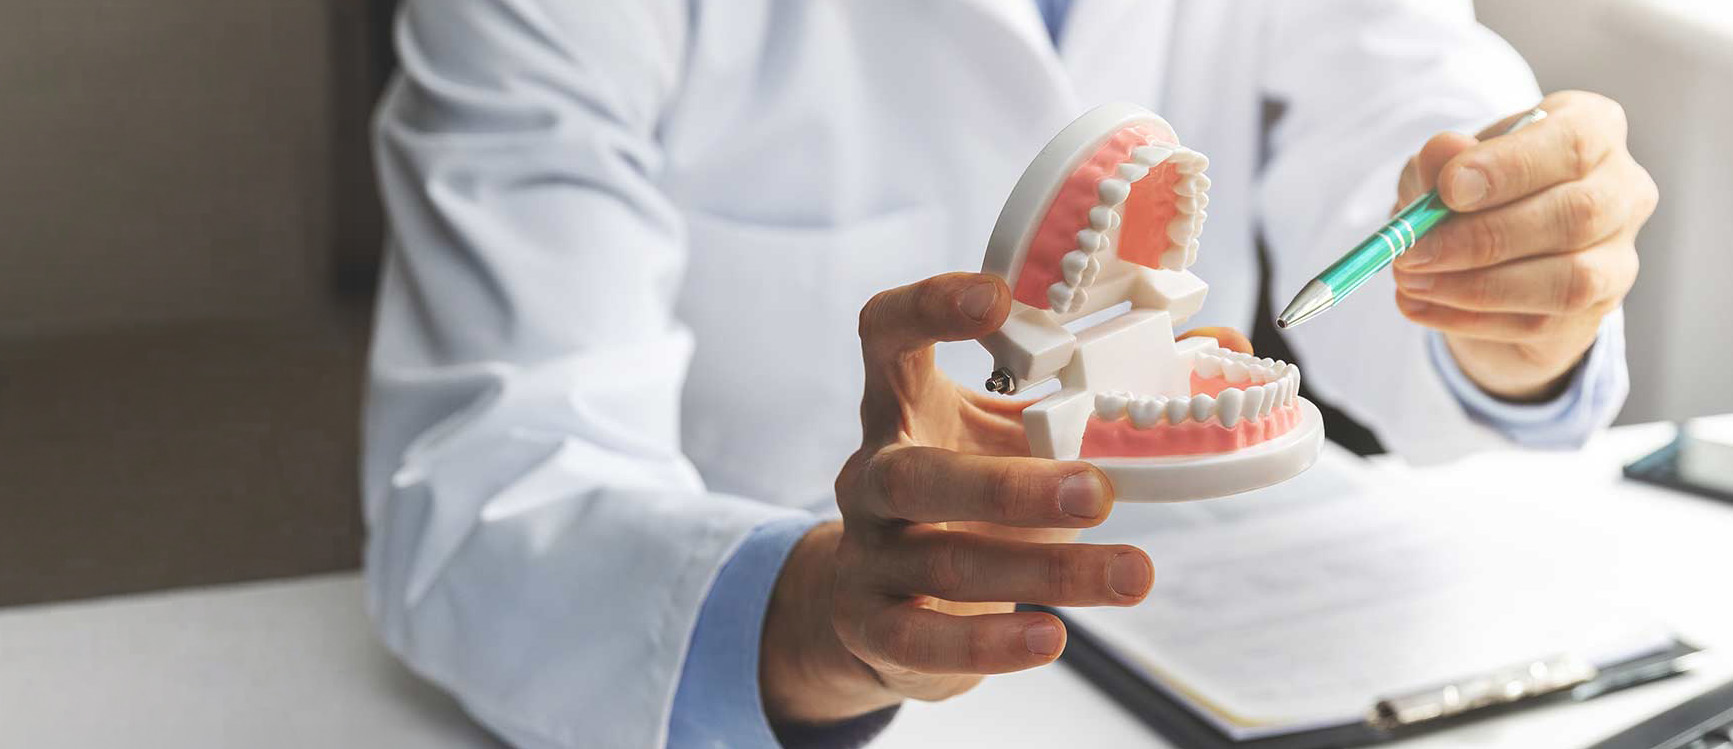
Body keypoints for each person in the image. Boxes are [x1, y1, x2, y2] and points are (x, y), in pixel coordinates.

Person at [363, 1, 1655, 746]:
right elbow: (487, 468)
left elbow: (1409, 111)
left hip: (1259, 656)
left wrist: (1511, 283)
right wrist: (800, 610)